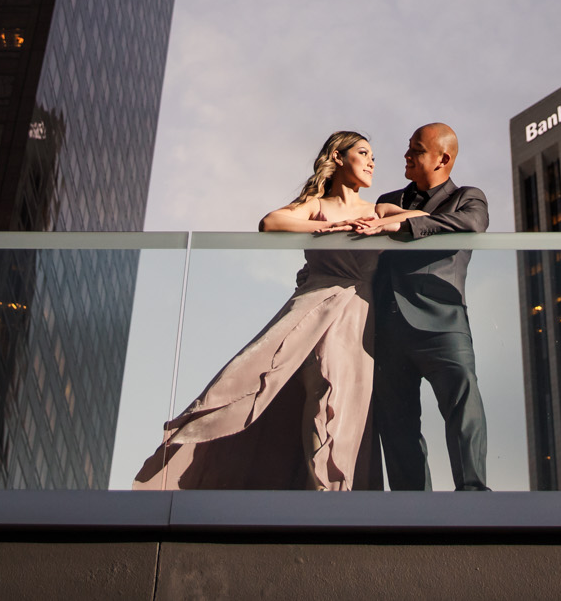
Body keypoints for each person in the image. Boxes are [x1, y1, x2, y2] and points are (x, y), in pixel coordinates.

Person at [133, 131, 423, 490]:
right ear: (337, 156)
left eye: (373, 156)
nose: (371, 162)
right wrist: (330, 227)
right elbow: (270, 222)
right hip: (311, 308)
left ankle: (333, 493)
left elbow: (423, 217)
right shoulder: (318, 205)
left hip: (356, 316)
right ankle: (322, 494)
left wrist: (383, 224)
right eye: (363, 153)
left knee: (344, 401)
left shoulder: (376, 209)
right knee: (294, 385)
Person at [348, 121, 491, 491]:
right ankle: (412, 503)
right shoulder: (388, 199)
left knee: (464, 410)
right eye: (408, 147)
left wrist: (403, 225)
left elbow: (471, 225)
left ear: (443, 158)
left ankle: (473, 493)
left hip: (444, 324)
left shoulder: (468, 198)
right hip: (388, 327)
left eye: (416, 149)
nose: (406, 155)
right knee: (396, 423)